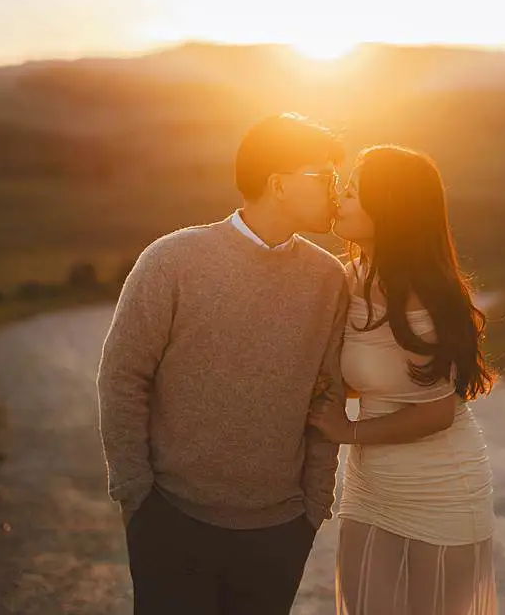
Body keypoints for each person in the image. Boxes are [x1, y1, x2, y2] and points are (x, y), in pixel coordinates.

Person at [97, 113, 349, 615]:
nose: (336, 193)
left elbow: (329, 394)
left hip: (279, 530)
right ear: (279, 185)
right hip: (171, 517)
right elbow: (123, 377)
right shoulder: (172, 261)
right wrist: (135, 496)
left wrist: (314, 506)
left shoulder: (328, 278)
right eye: (324, 178)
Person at [307, 144, 499, 614]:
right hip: (371, 489)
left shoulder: (427, 296)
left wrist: (347, 431)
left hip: (441, 491)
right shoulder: (348, 278)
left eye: (352, 192)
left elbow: (436, 411)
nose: (340, 200)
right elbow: (371, 375)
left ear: (387, 208)